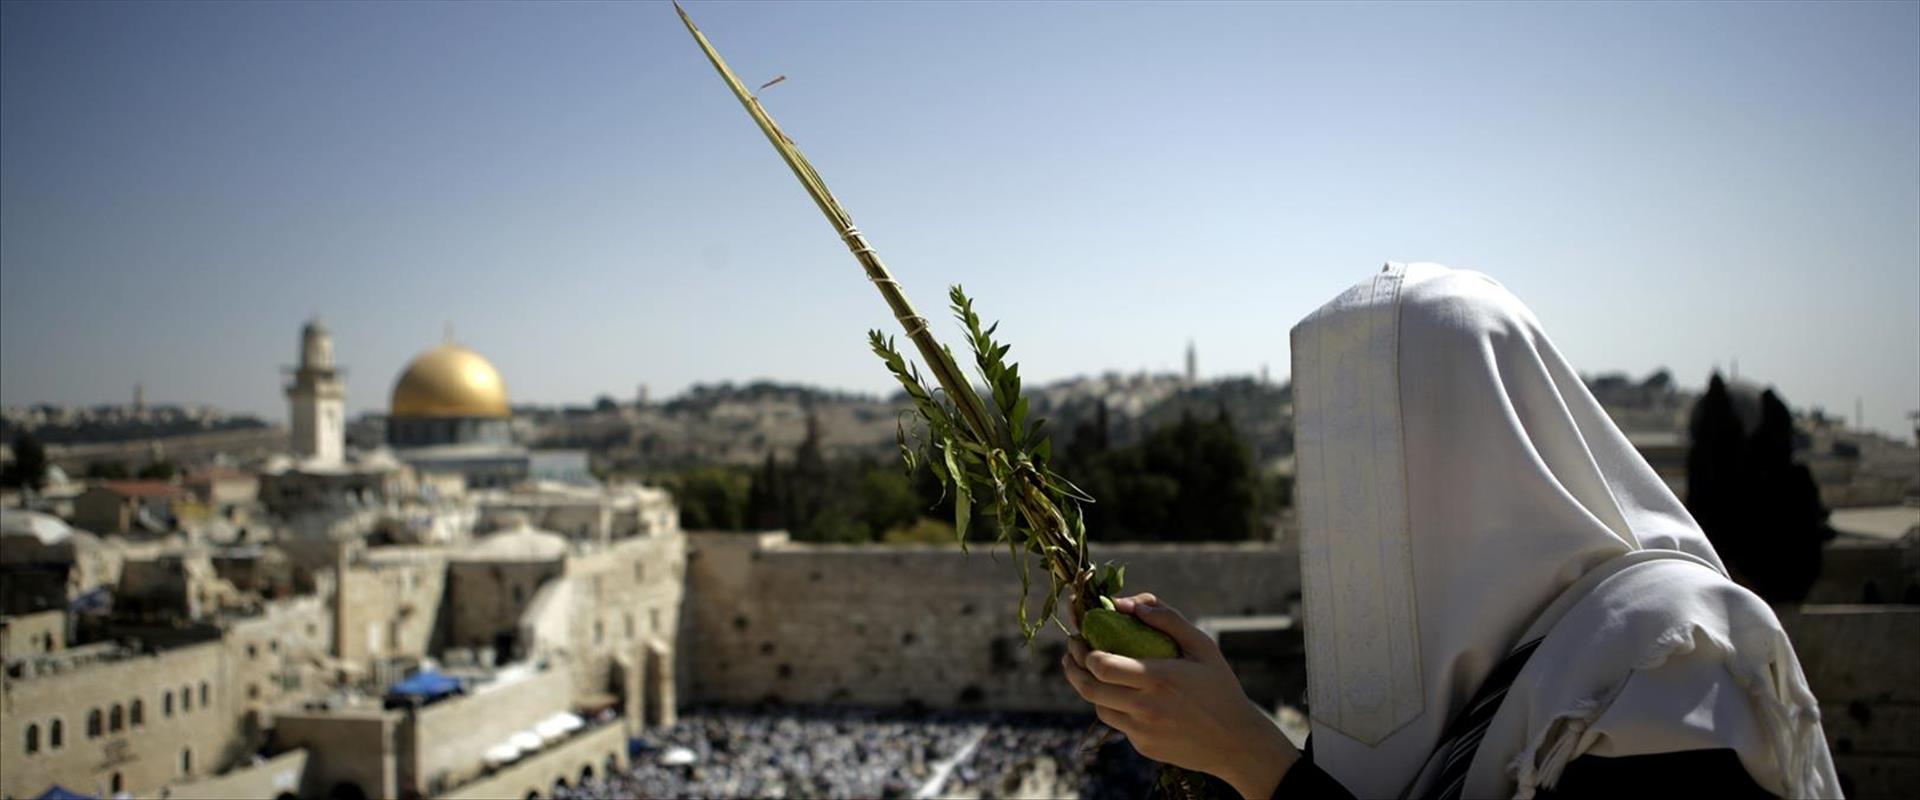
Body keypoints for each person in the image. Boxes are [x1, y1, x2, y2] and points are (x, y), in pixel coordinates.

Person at [1061, 263, 1841, 799]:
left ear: (1489, 438)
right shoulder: (1489, 673)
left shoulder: (1667, 681)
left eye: (1370, 452)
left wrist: (1251, 757)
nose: (1344, 508)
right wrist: (1204, 743)